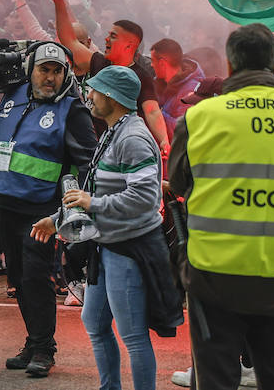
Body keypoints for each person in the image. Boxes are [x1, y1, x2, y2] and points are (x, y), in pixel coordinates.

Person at [169, 24, 274, 390]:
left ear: (229, 66)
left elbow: (178, 184)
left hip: (215, 274)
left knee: (216, 380)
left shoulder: (199, 118)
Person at [32, 66, 181, 390]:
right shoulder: (114, 131)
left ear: (112, 97)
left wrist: (92, 204)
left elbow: (143, 199)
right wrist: (58, 219)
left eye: (95, 90)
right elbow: (94, 190)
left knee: (133, 335)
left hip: (128, 249)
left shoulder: (133, 137)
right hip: (109, 246)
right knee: (96, 323)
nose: (89, 95)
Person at [0, 41, 96, 377]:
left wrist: (68, 212)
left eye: (57, 71)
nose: (50, 77)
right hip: (6, 202)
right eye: (44, 70)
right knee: (19, 279)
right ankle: (34, 339)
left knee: (37, 278)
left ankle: (44, 349)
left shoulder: (73, 110)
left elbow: (87, 165)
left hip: (42, 210)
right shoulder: (15, 97)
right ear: (31, 70)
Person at [50, 0, 170, 155]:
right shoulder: (99, 62)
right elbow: (69, 41)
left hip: (125, 148)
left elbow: (152, 111)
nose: (106, 39)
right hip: (96, 147)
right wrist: (59, 4)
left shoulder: (141, 75)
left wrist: (164, 139)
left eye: (113, 36)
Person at [150, 38, 204, 137]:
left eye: (153, 61)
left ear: (162, 63)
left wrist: (154, 112)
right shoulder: (159, 82)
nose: (151, 65)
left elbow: (184, 129)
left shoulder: (192, 90)